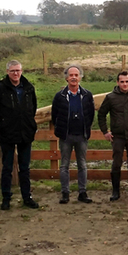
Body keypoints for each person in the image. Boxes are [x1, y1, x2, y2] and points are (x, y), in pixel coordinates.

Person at [0, 60, 39, 210]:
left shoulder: (29, 88)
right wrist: (2, 124)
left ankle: (26, 197)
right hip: (8, 133)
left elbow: (33, 108)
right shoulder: (0, 89)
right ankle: (6, 197)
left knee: (25, 167)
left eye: (18, 70)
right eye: (12, 71)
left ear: (21, 71)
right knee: (7, 167)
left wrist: (28, 123)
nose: (15, 73)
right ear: (7, 72)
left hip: (25, 133)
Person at [97, 71, 128, 201]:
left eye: (127, 81)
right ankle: (115, 191)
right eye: (122, 82)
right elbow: (101, 114)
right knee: (116, 163)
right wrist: (105, 132)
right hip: (117, 136)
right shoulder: (111, 97)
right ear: (117, 82)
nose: (124, 84)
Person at [51, 64, 95, 204]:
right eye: (71, 75)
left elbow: (91, 114)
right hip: (66, 136)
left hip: (81, 135)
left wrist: (86, 128)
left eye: (76, 75)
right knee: (64, 165)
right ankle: (65, 193)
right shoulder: (60, 96)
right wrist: (61, 129)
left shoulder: (87, 95)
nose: (74, 78)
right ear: (66, 78)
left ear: (80, 77)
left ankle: (82, 192)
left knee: (82, 164)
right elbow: (54, 115)